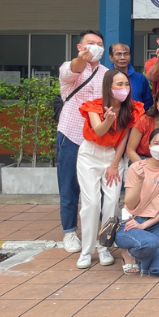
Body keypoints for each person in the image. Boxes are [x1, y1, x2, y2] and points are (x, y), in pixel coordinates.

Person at [76, 69, 144, 268]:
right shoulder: (94, 106)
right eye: (119, 84)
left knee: (112, 202)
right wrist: (108, 119)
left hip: (114, 156)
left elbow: (124, 138)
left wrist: (115, 164)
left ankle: (104, 247)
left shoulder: (132, 109)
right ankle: (86, 251)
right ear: (108, 87)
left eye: (126, 84)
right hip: (90, 155)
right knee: (91, 204)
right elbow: (98, 131)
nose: (124, 88)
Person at [56, 30, 108, 253]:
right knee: (69, 185)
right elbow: (73, 70)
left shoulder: (107, 73)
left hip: (98, 138)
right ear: (80, 47)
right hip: (71, 134)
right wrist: (81, 59)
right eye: (90, 43)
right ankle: (69, 232)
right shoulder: (71, 67)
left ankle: (97, 231)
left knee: (99, 189)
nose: (96, 47)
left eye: (99, 44)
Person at [116, 129, 159, 277]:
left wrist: (144, 225)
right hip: (130, 221)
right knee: (150, 243)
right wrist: (139, 181)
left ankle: (142, 258)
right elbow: (130, 204)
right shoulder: (136, 167)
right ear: (149, 145)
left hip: (153, 224)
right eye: (156, 143)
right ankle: (128, 253)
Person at [109, 42, 153, 111]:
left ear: (130, 57)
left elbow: (147, 102)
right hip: (111, 118)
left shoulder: (140, 78)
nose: (122, 57)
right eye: (118, 54)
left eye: (126, 54)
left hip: (137, 119)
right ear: (111, 57)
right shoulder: (105, 77)